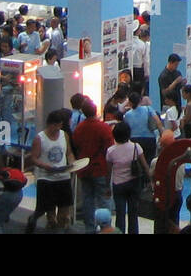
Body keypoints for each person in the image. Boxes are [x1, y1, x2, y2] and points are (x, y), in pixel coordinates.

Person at [27, 110, 74, 232]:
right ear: (50, 124)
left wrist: (72, 163)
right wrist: (44, 166)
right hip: (47, 178)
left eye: (60, 126)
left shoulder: (64, 135)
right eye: (56, 126)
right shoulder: (40, 138)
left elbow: (68, 152)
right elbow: (34, 157)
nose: (58, 129)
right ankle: (47, 224)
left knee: (64, 208)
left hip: (63, 177)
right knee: (48, 210)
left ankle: (61, 226)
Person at [72, 99, 114, 231]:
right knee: (104, 200)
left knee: (87, 199)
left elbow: (76, 146)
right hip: (100, 168)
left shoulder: (79, 128)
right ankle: (105, 228)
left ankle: (89, 228)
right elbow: (109, 151)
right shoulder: (103, 128)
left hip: (84, 169)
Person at [107, 121, 151, 235]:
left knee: (120, 214)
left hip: (118, 184)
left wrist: (107, 186)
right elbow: (145, 166)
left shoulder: (111, 151)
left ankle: (119, 232)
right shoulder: (136, 147)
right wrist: (151, 180)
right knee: (133, 213)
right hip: (134, 183)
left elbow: (108, 171)